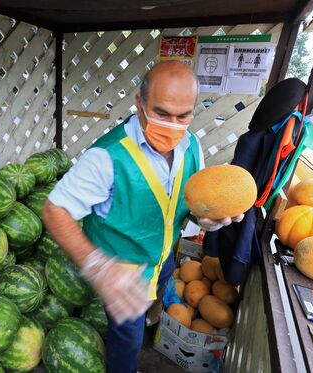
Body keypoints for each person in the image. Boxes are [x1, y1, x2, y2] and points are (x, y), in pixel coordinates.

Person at [43, 61, 243, 373]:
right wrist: (98, 266)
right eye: (162, 113)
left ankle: (152, 313)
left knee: (159, 297)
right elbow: (55, 210)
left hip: (163, 258)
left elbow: (186, 202)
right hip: (122, 272)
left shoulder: (191, 146)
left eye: (184, 115)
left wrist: (208, 220)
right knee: (128, 341)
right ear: (140, 103)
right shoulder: (106, 157)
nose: (174, 125)